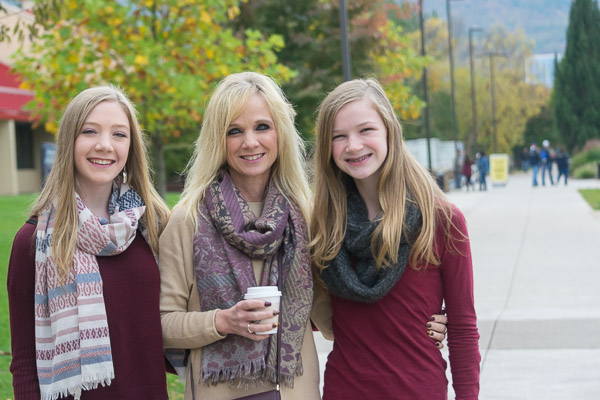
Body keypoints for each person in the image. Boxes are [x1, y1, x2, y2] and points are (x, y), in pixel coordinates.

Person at [158, 72, 447, 400]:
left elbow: (338, 309)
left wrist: (421, 321)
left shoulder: (306, 216)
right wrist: (223, 321)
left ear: (280, 132)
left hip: (298, 390)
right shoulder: (189, 219)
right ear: (216, 139)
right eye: (234, 131)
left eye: (262, 127)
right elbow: (162, 325)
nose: (250, 142)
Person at [309, 78, 480, 400]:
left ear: (389, 130)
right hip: (344, 390)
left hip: (419, 391)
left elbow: (464, 329)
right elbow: (312, 313)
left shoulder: (441, 220)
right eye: (338, 137)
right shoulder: (323, 225)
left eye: (365, 130)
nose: (354, 145)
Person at [7, 86, 171, 399]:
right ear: (69, 141)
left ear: (132, 147)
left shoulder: (154, 227)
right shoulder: (33, 242)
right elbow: (25, 363)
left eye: (119, 134)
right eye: (90, 131)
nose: (105, 145)